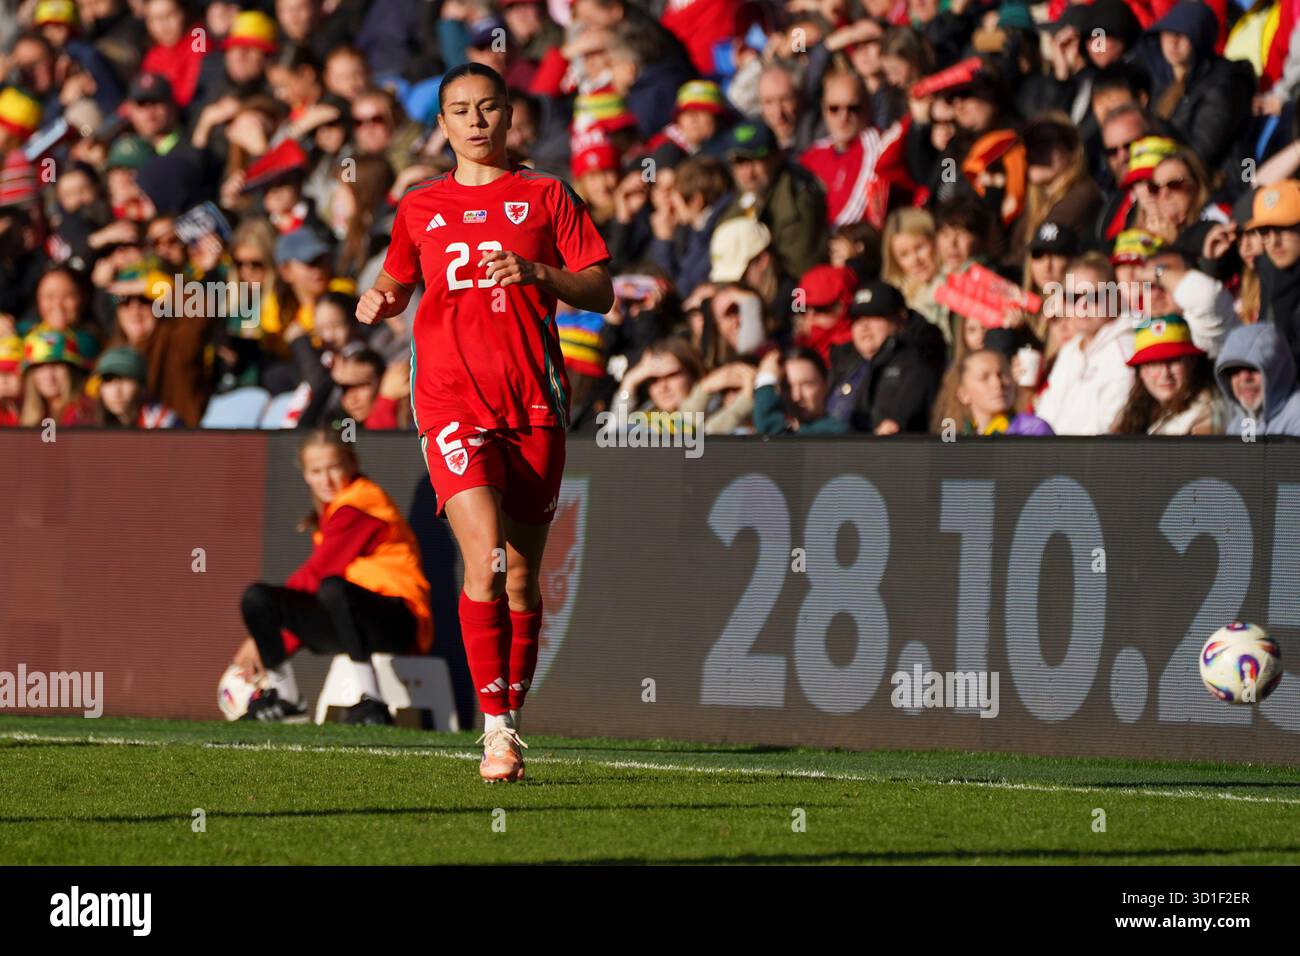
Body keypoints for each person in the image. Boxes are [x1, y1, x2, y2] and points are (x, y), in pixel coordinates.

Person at [356, 63, 613, 783]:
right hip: (449, 403)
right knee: (486, 560)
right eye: (460, 110)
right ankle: (494, 731)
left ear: (509, 118)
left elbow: (602, 287)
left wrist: (541, 276)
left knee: (524, 580)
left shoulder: (546, 195)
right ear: (441, 125)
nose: (475, 121)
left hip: (532, 401)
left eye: (488, 108)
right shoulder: (418, 206)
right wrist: (374, 301)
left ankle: (513, 720)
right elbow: (396, 278)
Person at [234, 429, 433, 724]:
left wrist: (260, 642)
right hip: (350, 620)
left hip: (400, 622)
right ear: (305, 475)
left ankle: (372, 700)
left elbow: (319, 573)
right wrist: (268, 640)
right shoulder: (330, 511)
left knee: (331, 588)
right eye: (316, 471)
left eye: (334, 468)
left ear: (351, 464)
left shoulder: (362, 503)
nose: (325, 479)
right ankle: (286, 698)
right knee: (257, 599)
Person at [1034, 252, 1135, 435]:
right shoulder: (1070, 349)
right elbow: (1047, 410)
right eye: (1073, 298)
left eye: (1094, 297)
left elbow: (1108, 427)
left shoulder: (1125, 350)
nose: (1083, 306)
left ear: (1116, 298)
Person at [828, 279, 939, 434]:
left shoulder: (918, 363)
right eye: (857, 319)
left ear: (900, 319)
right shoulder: (844, 363)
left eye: (874, 316)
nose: (864, 326)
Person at [1112, 314, 1218, 434]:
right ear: (1140, 372)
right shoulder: (1130, 413)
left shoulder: (1205, 414)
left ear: (1192, 364)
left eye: (1174, 361)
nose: (1165, 374)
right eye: (1153, 364)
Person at [1214, 322, 1300, 437]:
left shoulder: (1296, 415)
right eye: (1235, 370)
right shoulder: (1238, 424)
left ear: (1277, 370)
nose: (1244, 378)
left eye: (1253, 368)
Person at [948, 348, 1053, 436]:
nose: (997, 383)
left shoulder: (1032, 430)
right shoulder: (957, 438)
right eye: (984, 377)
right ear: (964, 394)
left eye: (1002, 374)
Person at [752, 346, 849, 435]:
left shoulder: (836, 432)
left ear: (826, 384)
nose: (796, 396)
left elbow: (776, 440)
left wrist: (766, 381)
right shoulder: (787, 427)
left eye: (806, 384)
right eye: (787, 386)